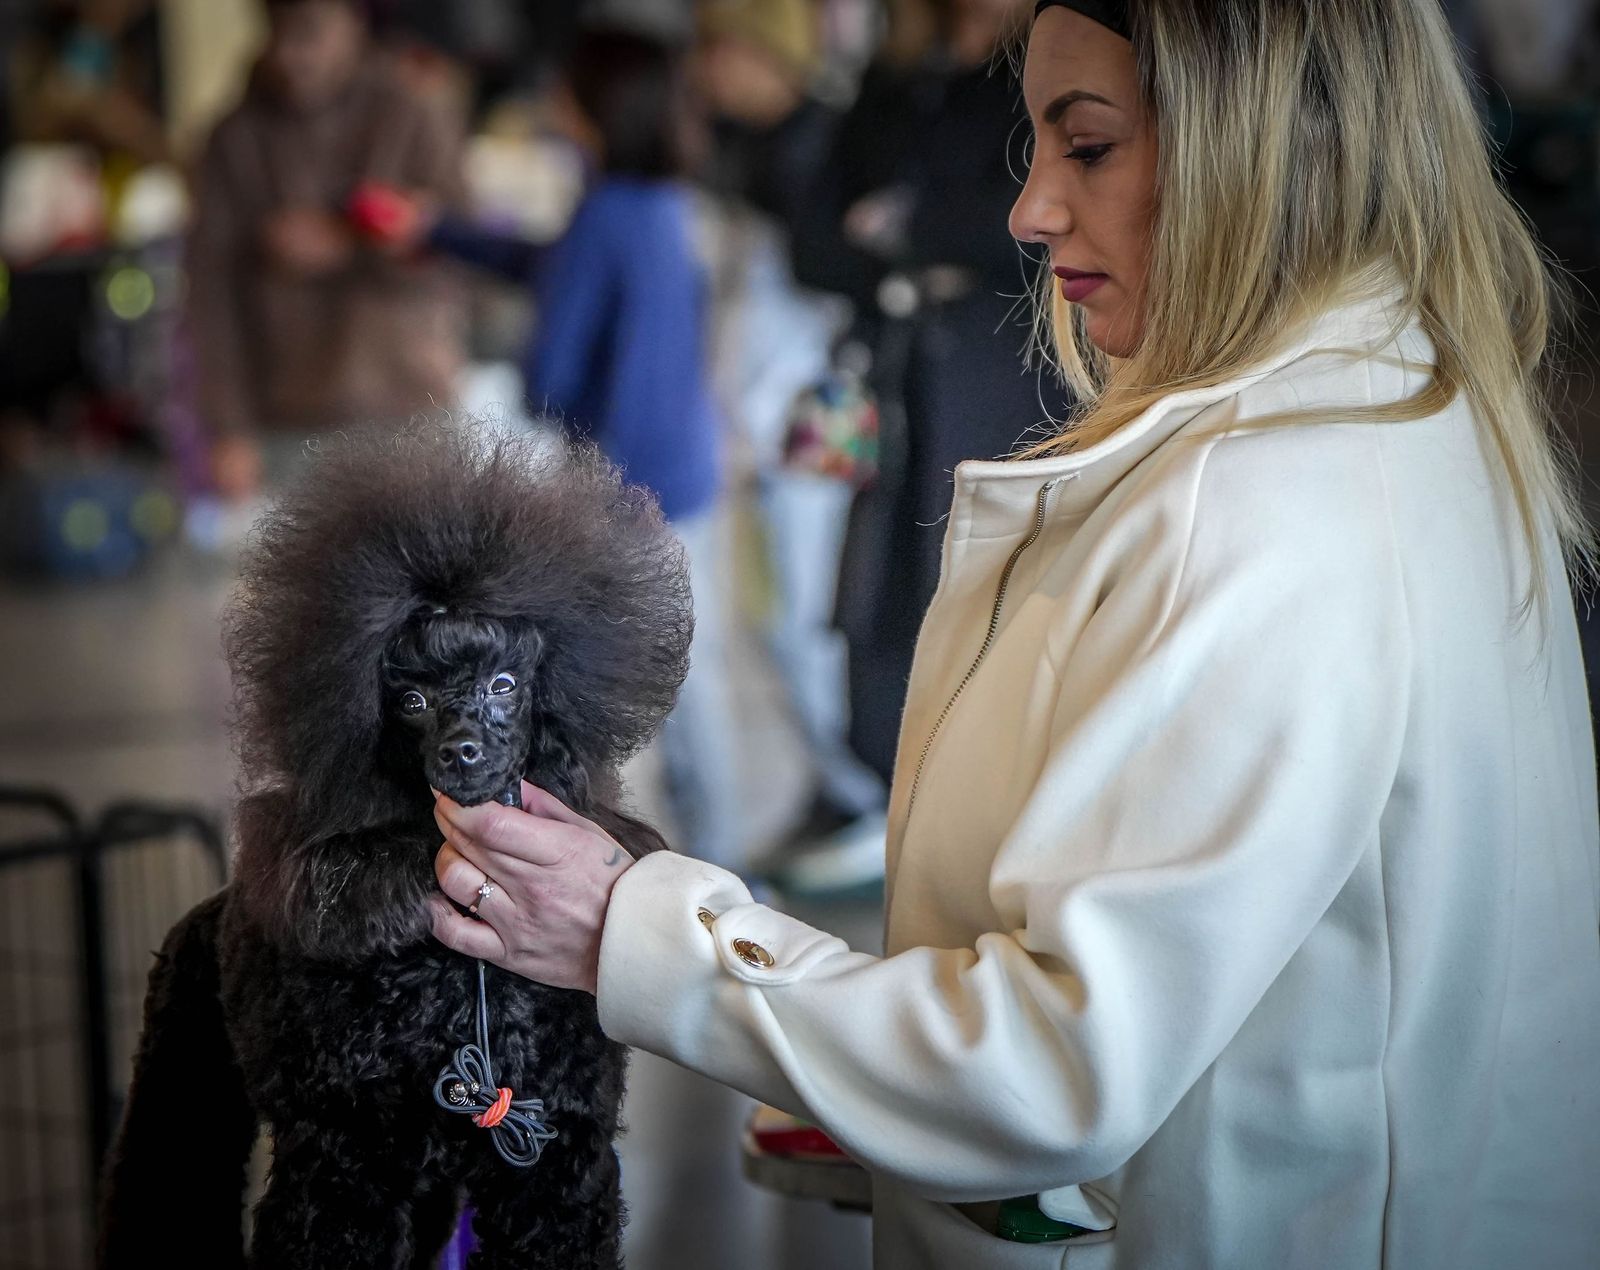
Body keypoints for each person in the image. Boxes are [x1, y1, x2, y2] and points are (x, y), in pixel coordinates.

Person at [426, 2, 1600, 1267]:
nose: (1029, 211)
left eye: (1087, 146)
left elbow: (1054, 1067)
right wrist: (860, 1066)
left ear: (1268, 145)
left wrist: (636, 930)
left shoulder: (1263, 509)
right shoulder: (1406, 402)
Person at [426, 26, 743, 870]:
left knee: (642, 686)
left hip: (629, 488)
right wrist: (442, 233)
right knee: (692, 676)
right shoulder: (657, 202)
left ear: (597, 107)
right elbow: (557, 266)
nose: (551, 107)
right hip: (681, 472)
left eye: (564, 94)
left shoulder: (607, 212)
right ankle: (718, 862)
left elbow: (555, 367)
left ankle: (660, 869)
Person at [187, 0, 467, 498]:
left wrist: (355, 242)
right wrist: (227, 424)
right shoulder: (235, 136)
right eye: (276, 32)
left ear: (355, 22)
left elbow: (467, 254)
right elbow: (210, 293)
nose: (290, 54)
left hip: (407, 401)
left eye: (309, 32)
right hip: (287, 416)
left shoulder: (411, 111)